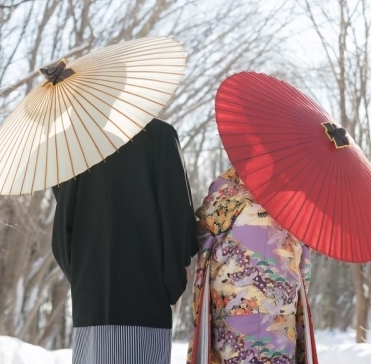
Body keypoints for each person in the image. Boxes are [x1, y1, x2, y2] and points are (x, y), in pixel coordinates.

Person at [52, 119, 197, 364]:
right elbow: (177, 215)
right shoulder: (158, 134)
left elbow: (62, 235)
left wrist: (83, 279)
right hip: (146, 291)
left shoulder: (72, 141)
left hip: (91, 298)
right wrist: (172, 282)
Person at [187, 168, 317, 364]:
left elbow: (203, 243)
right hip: (279, 313)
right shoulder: (295, 201)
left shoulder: (224, 191)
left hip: (232, 312)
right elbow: (303, 266)